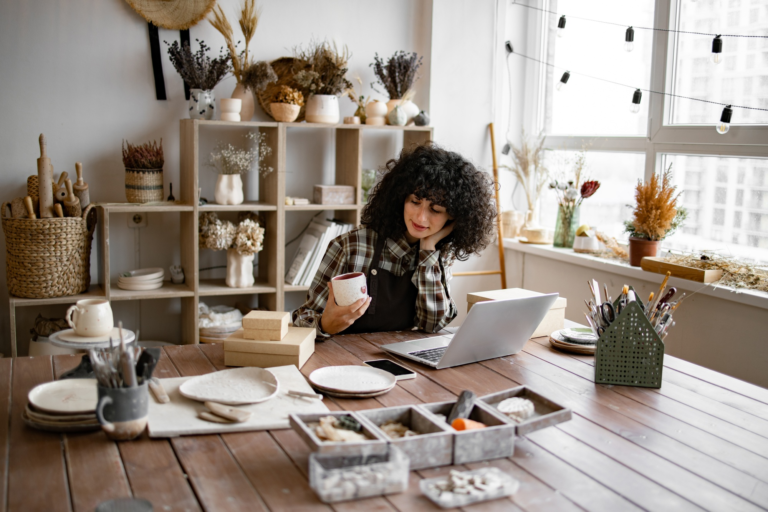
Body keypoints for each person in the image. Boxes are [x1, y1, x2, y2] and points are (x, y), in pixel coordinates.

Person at [292, 143, 497, 337]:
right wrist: (325, 325)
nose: (420, 218)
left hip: (400, 355)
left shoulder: (438, 254)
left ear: (453, 216)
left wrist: (427, 250)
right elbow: (303, 319)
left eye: (435, 210)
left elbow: (433, 324)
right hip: (344, 356)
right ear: (400, 198)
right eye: (415, 202)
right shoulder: (349, 246)